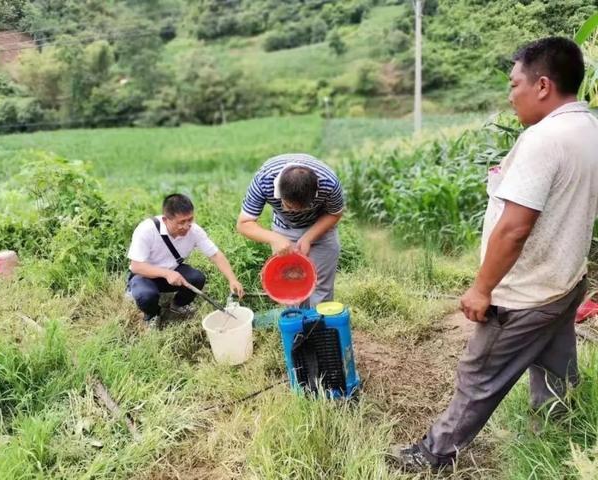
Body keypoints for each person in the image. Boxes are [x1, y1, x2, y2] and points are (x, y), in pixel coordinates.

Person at [390, 36, 598, 472]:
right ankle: (562, 434)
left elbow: (516, 227)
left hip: (524, 293)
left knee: (477, 375)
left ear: (542, 85)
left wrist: (482, 288)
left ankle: (434, 454)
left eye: (513, 84)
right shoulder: (588, 128)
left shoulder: (544, 140)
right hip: (565, 280)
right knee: (556, 365)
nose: (510, 96)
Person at [236, 153, 344, 306]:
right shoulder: (264, 178)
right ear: (280, 192)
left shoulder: (329, 182)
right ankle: (297, 326)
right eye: (290, 207)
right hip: (283, 229)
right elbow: (243, 223)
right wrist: (276, 238)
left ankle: (318, 327)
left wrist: (308, 237)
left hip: (320, 226)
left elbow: (335, 213)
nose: (295, 212)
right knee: (290, 286)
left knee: (321, 288)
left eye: (302, 208)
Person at [127, 194, 244, 328]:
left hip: (172, 271)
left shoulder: (194, 230)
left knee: (197, 278)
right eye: (181, 222)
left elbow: (216, 255)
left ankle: (178, 305)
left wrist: (232, 279)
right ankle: (152, 315)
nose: (187, 226)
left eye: (190, 219)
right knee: (146, 296)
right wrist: (166, 273)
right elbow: (136, 266)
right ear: (166, 219)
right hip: (145, 275)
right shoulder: (146, 230)